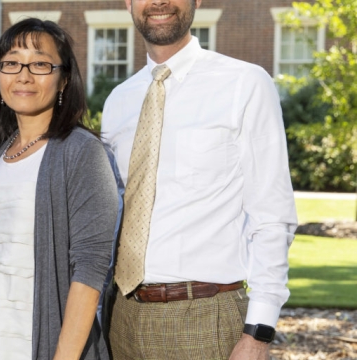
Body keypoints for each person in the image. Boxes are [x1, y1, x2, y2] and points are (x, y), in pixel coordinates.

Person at [101, 0, 298, 359]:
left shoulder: (245, 83)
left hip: (207, 318)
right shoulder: (119, 101)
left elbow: (272, 215)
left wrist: (259, 332)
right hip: (122, 318)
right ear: (128, 2)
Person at [0, 18, 119, 360]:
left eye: (40, 63)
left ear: (64, 79)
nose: (23, 75)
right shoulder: (0, 154)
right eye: (11, 62)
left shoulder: (82, 152)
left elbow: (90, 271)